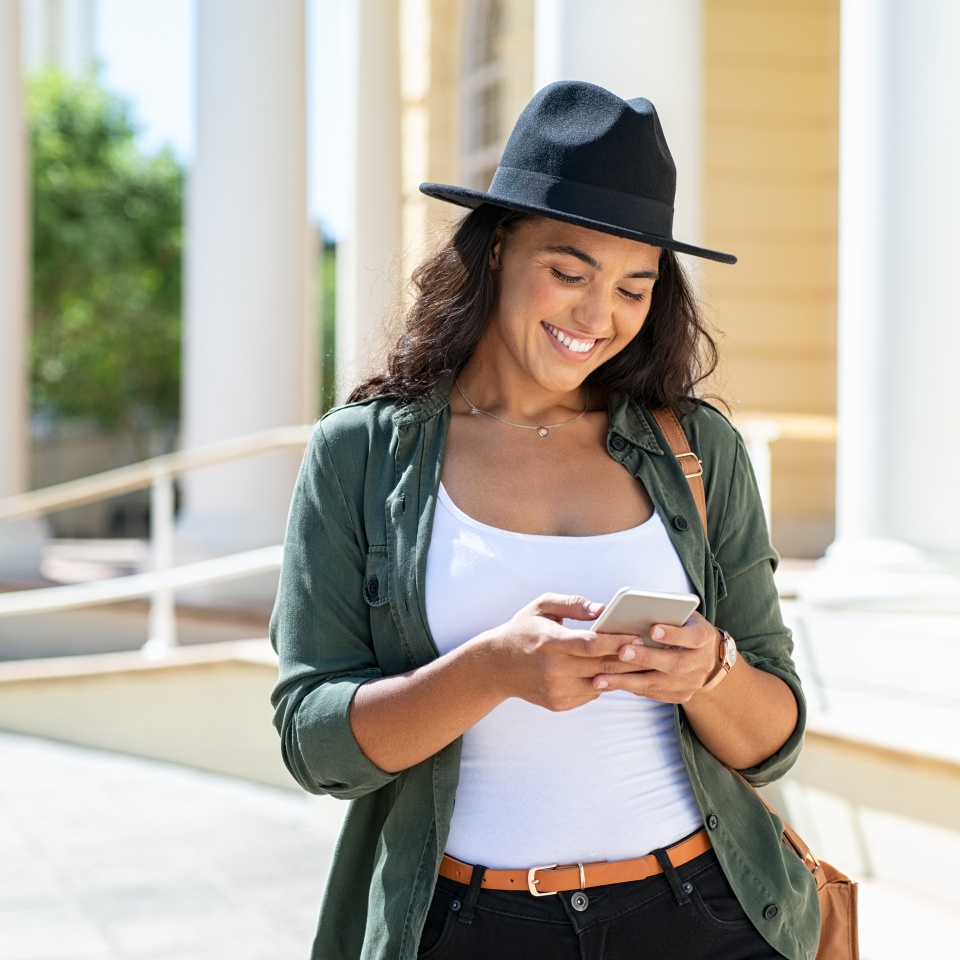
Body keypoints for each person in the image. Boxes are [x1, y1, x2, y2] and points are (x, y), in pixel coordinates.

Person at [270, 81, 818, 960]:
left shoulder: (698, 450)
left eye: (635, 288)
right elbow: (314, 743)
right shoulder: (361, 456)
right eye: (569, 273)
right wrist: (490, 670)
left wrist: (711, 670)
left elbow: (774, 742)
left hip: (705, 913)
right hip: (467, 927)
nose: (599, 318)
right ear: (495, 253)